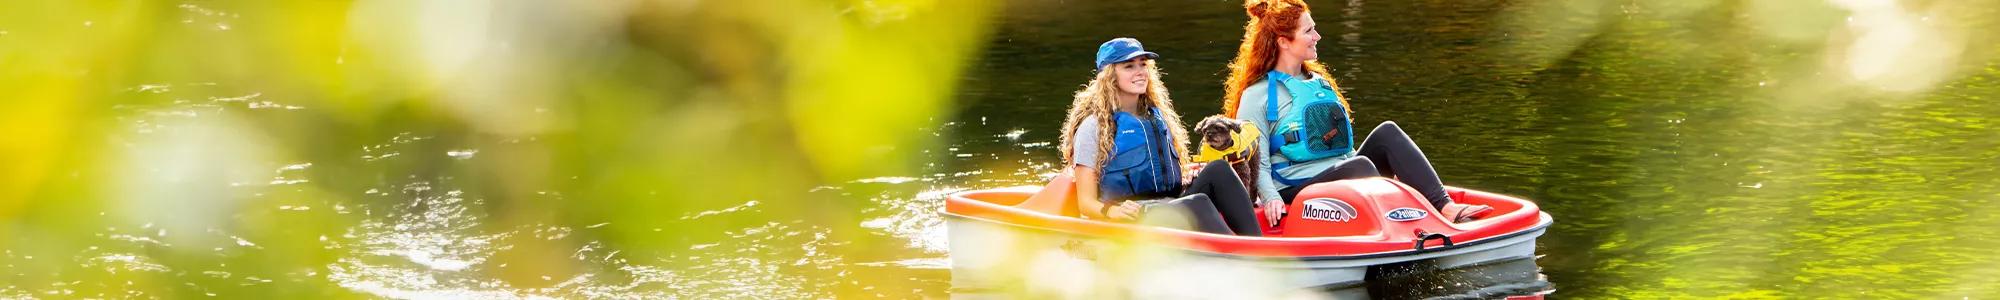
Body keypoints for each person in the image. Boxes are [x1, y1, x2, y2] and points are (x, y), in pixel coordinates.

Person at [1222, 0, 1490, 222]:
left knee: (1387, 133)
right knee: (1361, 166)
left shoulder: (1319, 84)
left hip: (1344, 172)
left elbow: (1341, 147)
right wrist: (1271, 199)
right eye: (1309, 31)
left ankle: (1444, 206)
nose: (1318, 37)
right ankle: (1396, 218)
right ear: (1284, 42)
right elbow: (1257, 162)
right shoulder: (1256, 95)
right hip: (1296, 189)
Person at [1060, 38, 1264, 236]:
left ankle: (1257, 245)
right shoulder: (1093, 127)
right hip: (1133, 214)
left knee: (1219, 169)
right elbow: (1085, 203)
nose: (1140, 72)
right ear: (1109, 75)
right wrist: (1112, 212)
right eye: (1129, 66)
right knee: (1197, 203)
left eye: (1143, 64)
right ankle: (1242, 256)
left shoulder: (1155, 116)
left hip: (1169, 201)